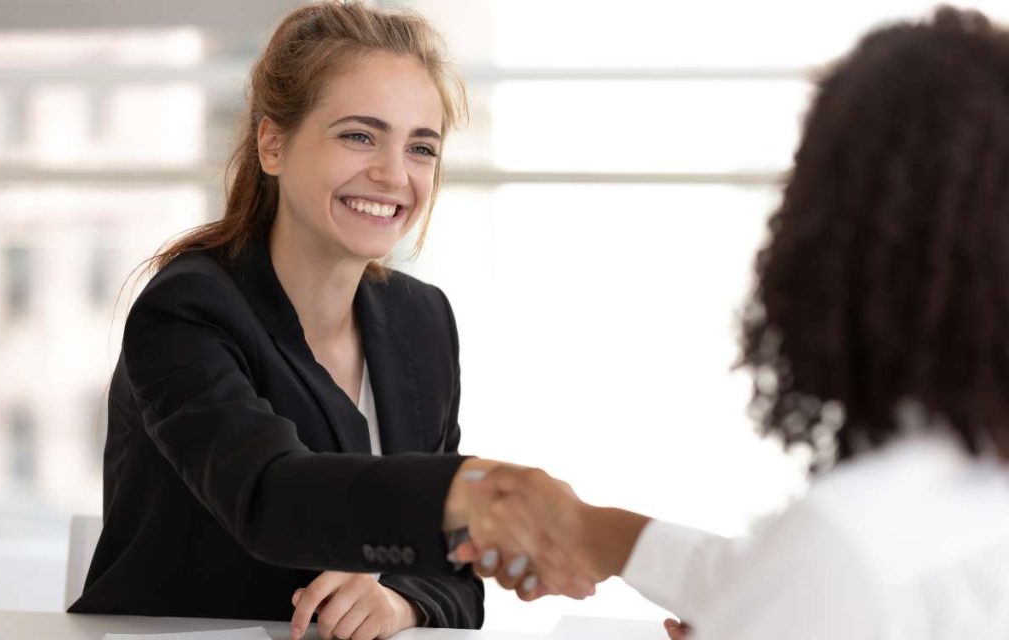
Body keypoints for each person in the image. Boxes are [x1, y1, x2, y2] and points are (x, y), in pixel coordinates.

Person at [452, 7, 1009, 640]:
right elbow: (775, 578)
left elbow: (809, 576)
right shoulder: (956, 490)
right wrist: (593, 530)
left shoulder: (846, 546)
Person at [68, 3, 511, 638]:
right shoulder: (186, 312)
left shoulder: (423, 319)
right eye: (359, 135)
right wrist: (468, 495)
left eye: (420, 147)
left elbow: (457, 581)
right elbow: (271, 497)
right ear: (272, 144)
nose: (393, 174)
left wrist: (397, 602)